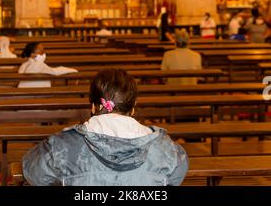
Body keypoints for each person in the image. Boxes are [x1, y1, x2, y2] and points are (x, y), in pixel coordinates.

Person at [22, 68, 188, 186]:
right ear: (133, 108)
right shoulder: (167, 149)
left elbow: (35, 174)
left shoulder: (60, 147)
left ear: (93, 107)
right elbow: (175, 178)